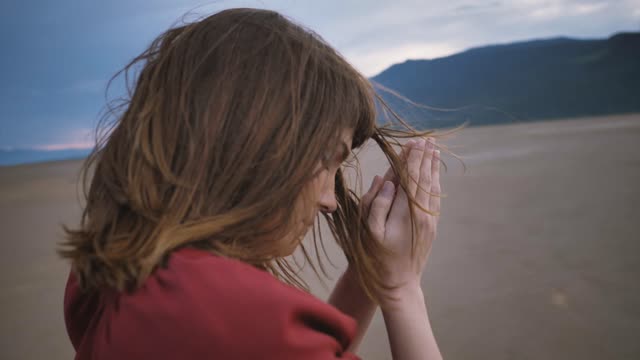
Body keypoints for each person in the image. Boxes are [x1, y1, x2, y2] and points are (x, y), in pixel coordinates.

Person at [60, 8, 445, 360]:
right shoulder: (231, 313)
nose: (330, 200)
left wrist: (367, 274)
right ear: (258, 143)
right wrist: (402, 289)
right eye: (327, 158)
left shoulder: (110, 278)